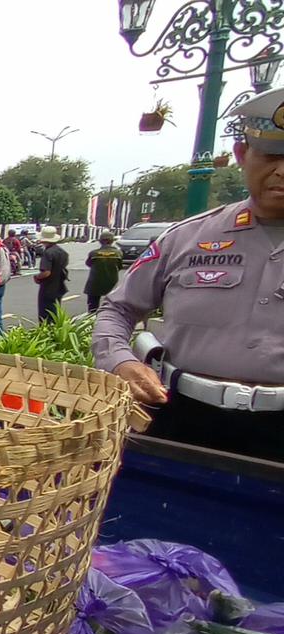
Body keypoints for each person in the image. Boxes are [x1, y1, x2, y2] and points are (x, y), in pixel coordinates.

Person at [92, 86, 284, 460]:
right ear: (243, 155)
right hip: (184, 418)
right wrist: (121, 360)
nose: (282, 170)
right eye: (271, 155)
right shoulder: (186, 238)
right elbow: (117, 310)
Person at [34, 226, 70, 322]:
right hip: (59, 285)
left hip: (48, 287)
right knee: (55, 313)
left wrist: (37, 277)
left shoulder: (48, 253)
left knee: (45, 316)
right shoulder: (62, 252)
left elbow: (46, 272)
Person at [83, 232, 124, 312]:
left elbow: (88, 264)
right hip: (111, 281)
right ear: (112, 241)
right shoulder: (118, 253)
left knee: (93, 304)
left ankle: (92, 318)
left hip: (95, 281)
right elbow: (120, 266)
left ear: (100, 241)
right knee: (111, 303)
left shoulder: (94, 253)